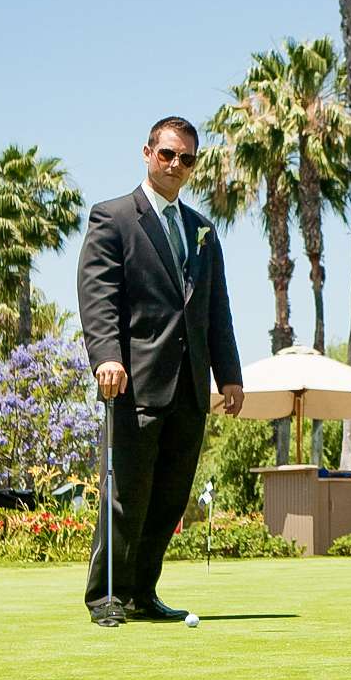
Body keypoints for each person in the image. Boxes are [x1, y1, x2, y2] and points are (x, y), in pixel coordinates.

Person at [77, 116, 244, 623]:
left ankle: (141, 594)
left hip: (190, 388)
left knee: (169, 499)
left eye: (187, 158)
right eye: (168, 154)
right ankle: (106, 595)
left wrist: (229, 374)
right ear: (147, 153)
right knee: (126, 495)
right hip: (132, 383)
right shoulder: (112, 219)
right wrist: (107, 356)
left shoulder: (202, 231)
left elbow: (217, 308)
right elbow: (98, 296)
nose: (176, 165)